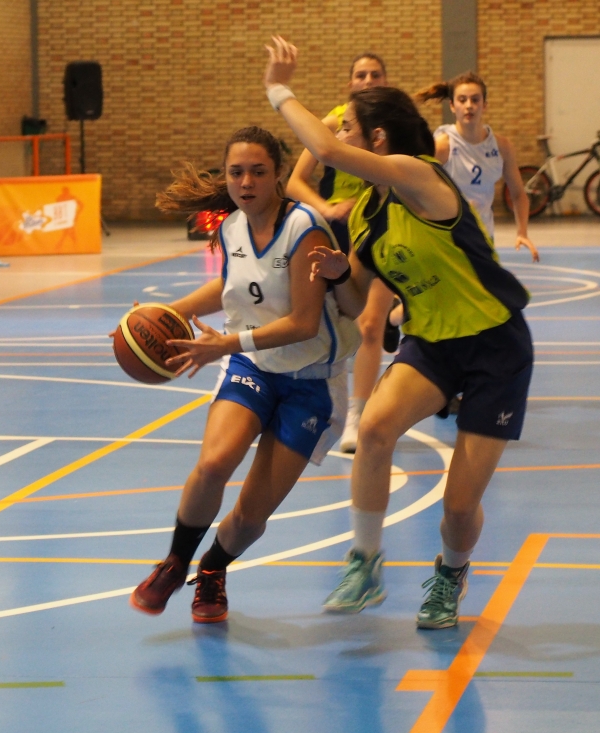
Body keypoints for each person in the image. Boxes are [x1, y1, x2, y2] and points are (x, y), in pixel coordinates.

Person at [264, 37, 534, 629]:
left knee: (458, 508)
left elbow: (323, 148)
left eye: (350, 130)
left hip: (495, 346)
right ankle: (365, 562)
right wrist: (337, 277)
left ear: (377, 139)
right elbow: (357, 301)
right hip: (433, 345)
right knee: (375, 427)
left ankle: (451, 574)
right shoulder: (368, 211)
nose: (341, 139)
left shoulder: (418, 176)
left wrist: (279, 90)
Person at [129, 126, 360, 624]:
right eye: (236, 172)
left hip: (311, 381)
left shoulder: (305, 228)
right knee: (214, 463)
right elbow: (229, 288)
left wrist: (226, 343)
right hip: (253, 366)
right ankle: (175, 562)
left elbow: (303, 323)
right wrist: (156, 316)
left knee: (252, 516)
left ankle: (213, 568)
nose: (246, 182)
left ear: (278, 175)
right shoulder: (231, 226)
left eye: (258, 171)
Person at [285, 52, 401, 453]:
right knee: (338, 322)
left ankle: (357, 414)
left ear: (386, 81)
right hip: (339, 233)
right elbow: (295, 182)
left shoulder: (393, 128)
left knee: (368, 325)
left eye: (375, 74)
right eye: (360, 75)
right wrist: (329, 208)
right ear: (350, 84)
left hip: (381, 229)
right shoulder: (334, 124)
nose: (367, 80)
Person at [416, 72, 539, 261]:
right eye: (462, 100)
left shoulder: (502, 147)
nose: (469, 105)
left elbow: (518, 194)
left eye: (475, 100)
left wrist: (522, 232)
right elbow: (419, 190)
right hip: (449, 237)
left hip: (483, 236)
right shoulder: (442, 146)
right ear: (452, 106)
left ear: (484, 105)